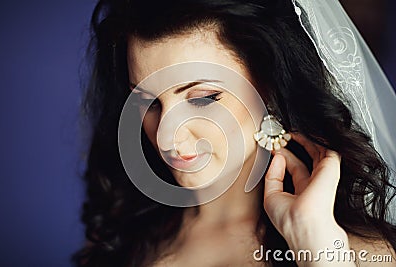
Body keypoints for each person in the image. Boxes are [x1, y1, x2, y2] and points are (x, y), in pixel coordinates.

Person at [73, 0, 396, 266]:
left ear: (269, 91)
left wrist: (316, 249)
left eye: (203, 98)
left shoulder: (361, 254)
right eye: (147, 101)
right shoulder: (122, 233)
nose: (167, 138)